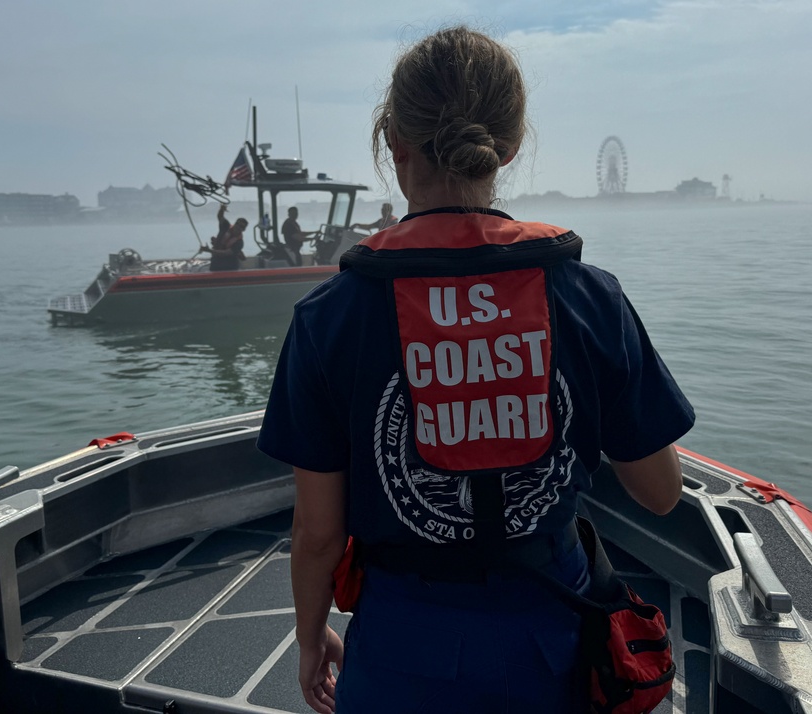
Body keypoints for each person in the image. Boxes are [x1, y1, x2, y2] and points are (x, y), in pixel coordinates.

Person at [257, 26, 694, 714]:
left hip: (398, 655)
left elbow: (317, 534)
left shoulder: (328, 317)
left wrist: (311, 639)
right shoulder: (589, 297)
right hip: (552, 647)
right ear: (510, 147)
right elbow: (661, 494)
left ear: (393, 146)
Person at [202, 204, 247, 271]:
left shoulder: (239, 242)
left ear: (243, 230)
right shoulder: (225, 226)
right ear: (234, 224)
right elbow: (220, 217)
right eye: (237, 224)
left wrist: (209, 250)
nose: (238, 227)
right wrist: (222, 209)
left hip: (230, 267)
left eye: (241, 227)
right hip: (216, 264)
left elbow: (226, 253)